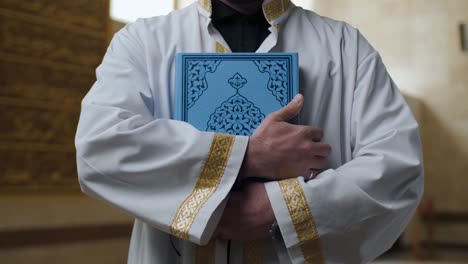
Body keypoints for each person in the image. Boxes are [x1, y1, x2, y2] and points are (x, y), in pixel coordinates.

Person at [75, 0, 424, 263]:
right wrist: (249, 156)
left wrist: (280, 210)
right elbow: (101, 146)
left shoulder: (346, 47)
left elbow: (396, 168)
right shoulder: (142, 40)